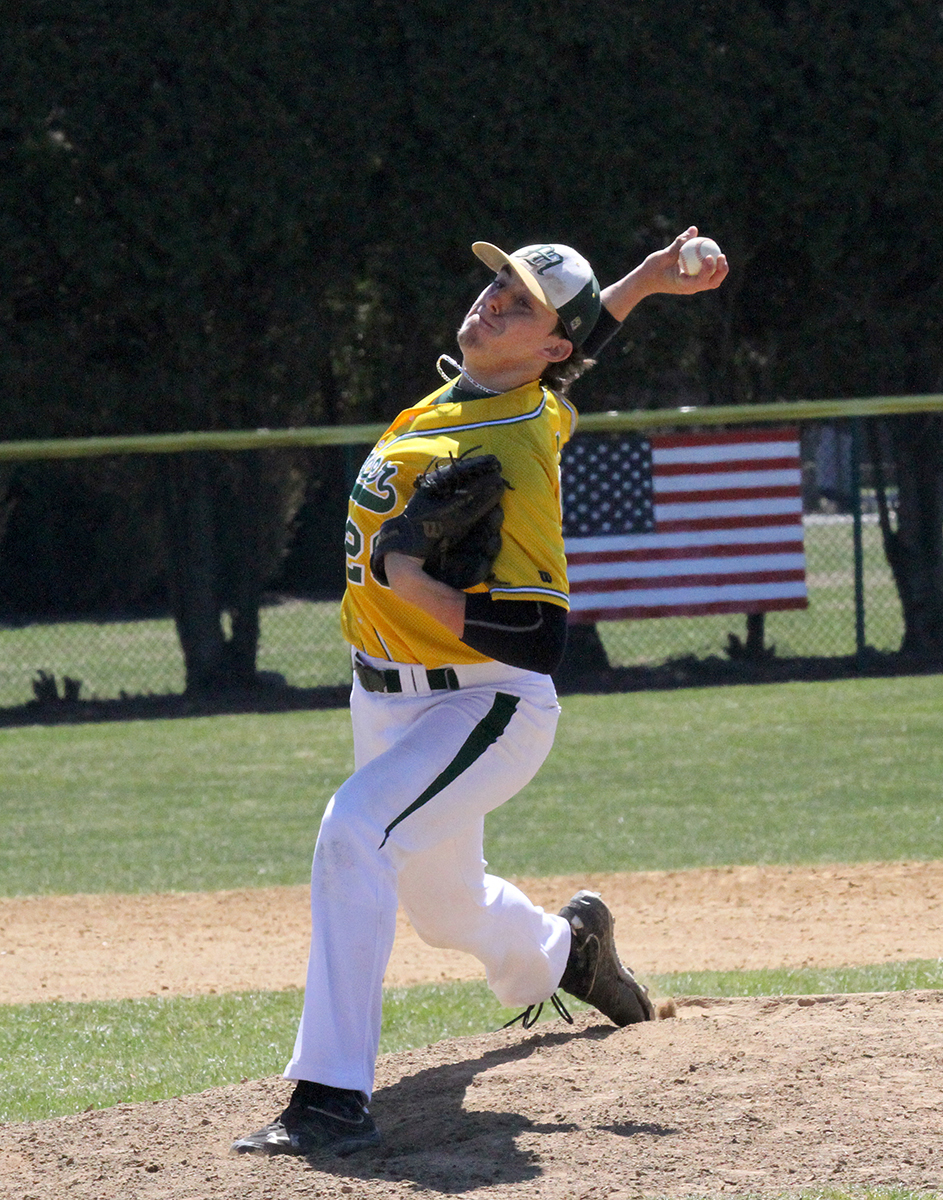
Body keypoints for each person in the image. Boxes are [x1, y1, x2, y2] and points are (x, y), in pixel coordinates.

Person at [232, 228, 728, 1158]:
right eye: (499, 281)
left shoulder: (519, 443)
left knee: (354, 832)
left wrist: (413, 580)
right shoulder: (485, 396)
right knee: (445, 909)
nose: (494, 298)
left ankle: (329, 1099)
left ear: (547, 345)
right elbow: (571, 354)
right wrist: (646, 281)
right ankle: (570, 950)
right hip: (385, 700)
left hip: (484, 704)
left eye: (520, 301)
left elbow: (540, 639)